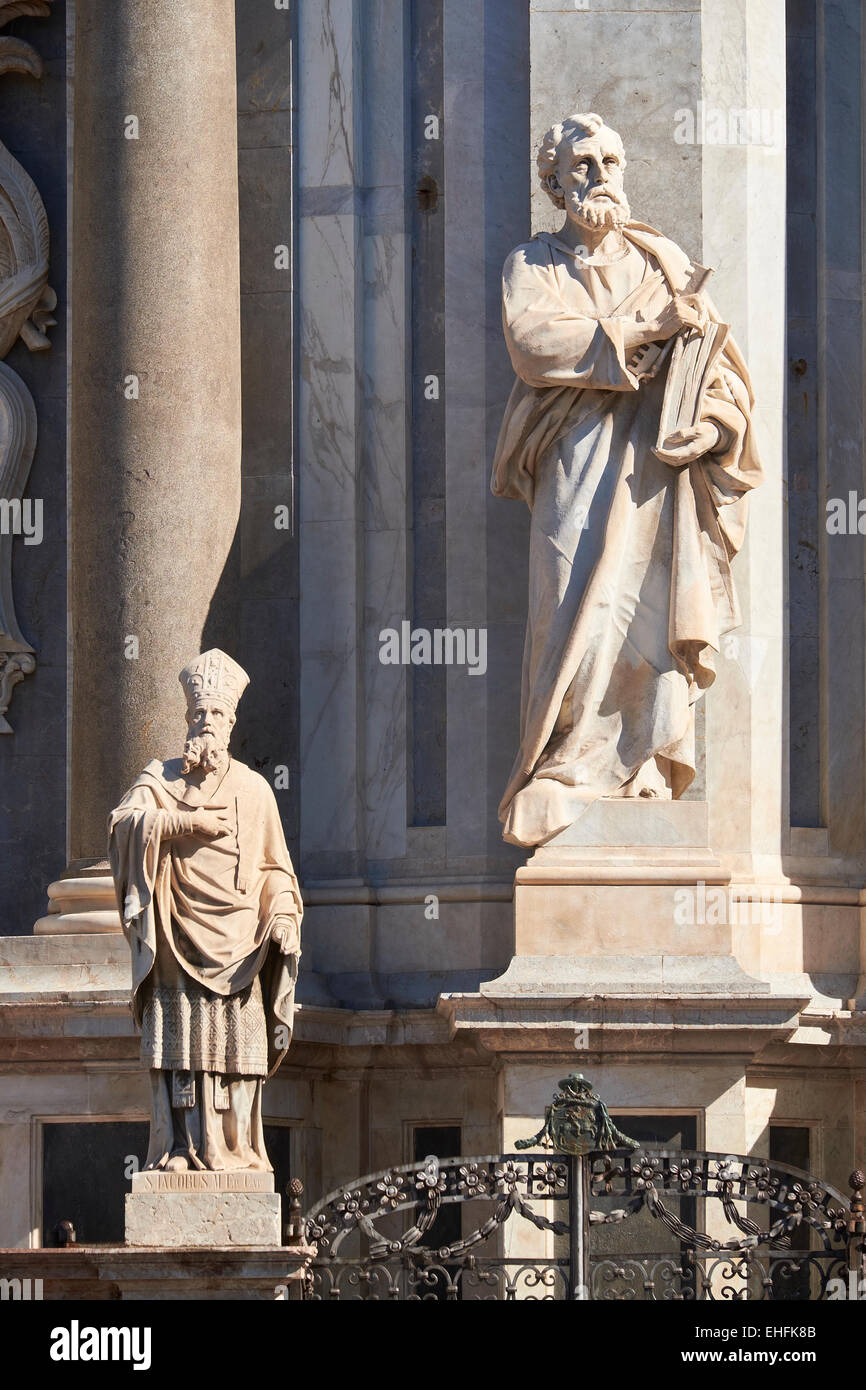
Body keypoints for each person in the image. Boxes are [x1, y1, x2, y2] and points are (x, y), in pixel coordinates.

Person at [492, 112, 763, 848]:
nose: (601, 175)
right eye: (582, 164)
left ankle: (643, 760)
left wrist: (712, 427)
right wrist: (644, 330)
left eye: (612, 159)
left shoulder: (663, 259)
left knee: (647, 609)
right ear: (553, 181)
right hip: (572, 463)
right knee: (569, 607)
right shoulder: (533, 263)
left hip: (656, 475)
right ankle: (561, 765)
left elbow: (720, 370)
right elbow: (534, 345)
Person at [108, 648, 302, 1171]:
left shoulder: (255, 789)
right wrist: (182, 825)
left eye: (215, 714)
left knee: (236, 1050)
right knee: (181, 1044)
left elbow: (275, 872)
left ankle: (234, 1147)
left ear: (232, 722)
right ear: (187, 719)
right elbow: (123, 825)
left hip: (240, 944)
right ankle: (177, 1147)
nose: (205, 723)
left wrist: (282, 920)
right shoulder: (160, 780)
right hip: (175, 934)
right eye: (197, 714)